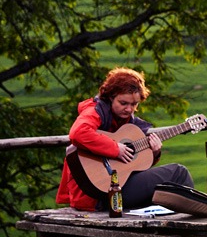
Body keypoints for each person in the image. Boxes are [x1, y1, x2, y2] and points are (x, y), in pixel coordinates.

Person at [57, 67, 194, 211]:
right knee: (179, 173)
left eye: (134, 104)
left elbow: (136, 166)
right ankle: (193, 220)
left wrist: (154, 152)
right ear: (110, 97)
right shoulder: (95, 111)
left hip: (114, 191)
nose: (129, 109)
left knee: (166, 191)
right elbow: (78, 132)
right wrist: (116, 149)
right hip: (95, 197)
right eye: (123, 103)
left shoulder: (131, 124)